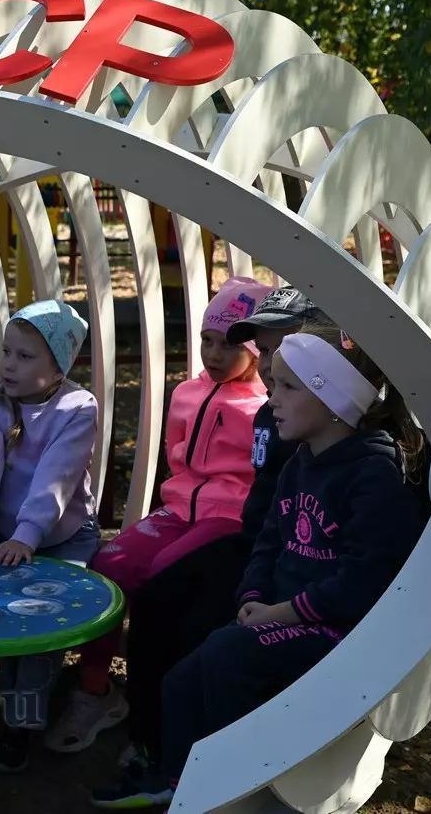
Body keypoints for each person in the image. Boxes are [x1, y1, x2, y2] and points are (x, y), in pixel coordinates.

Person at [139, 323, 427, 806]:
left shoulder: (374, 476)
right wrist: (252, 596)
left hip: (337, 633)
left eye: (289, 387)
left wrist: (279, 613)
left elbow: (364, 583)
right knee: (180, 681)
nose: (272, 398)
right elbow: (268, 543)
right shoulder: (298, 463)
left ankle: (234, 790)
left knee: (228, 656)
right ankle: (183, 790)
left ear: (332, 398)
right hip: (284, 619)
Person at [91, 286, 327, 808]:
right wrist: (255, 574)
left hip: (297, 568)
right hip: (256, 549)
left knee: (197, 626)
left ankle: (184, 761)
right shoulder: (271, 415)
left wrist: (260, 583)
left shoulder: (322, 422)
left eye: (279, 349)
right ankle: (150, 743)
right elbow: (263, 511)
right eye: (266, 350)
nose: (270, 365)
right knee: (157, 598)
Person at [49, 277, 273, 754]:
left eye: (229, 344)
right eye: (207, 340)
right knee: (109, 564)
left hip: (227, 519)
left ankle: (158, 699)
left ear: (255, 350)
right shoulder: (188, 393)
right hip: (179, 510)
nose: (213, 354)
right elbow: (179, 457)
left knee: (165, 575)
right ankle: (95, 690)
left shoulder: (264, 407)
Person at [0, 299, 99, 773]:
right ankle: (12, 701)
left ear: (58, 367)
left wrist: (27, 536)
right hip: (5, 533)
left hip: (62, 536)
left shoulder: (76, 407)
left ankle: (21, 724)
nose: (9, 364)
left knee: (40, 624)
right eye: (8, 352)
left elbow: (57, 477)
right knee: (5, 615)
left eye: (26, 356)